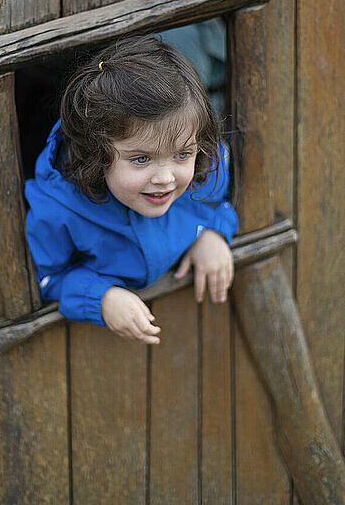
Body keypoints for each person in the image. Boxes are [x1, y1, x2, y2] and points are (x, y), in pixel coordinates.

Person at [25, 33, 238, 346]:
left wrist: (214, 233)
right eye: (141, 159)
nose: (165, 178)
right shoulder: (58, 210)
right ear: (96, 154)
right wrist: (101, 298)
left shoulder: (205, 165)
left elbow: (216, 202)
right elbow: (48, 276)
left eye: (182, 154)